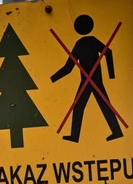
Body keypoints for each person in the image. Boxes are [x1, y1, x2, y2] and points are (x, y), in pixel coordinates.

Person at [51, 14, 123, 143]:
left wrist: (112, 75)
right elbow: (68, 67)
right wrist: (52, 79)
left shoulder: (89, 42)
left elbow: (108, 52)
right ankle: (76, 135)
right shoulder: (81, 43)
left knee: (99, 105)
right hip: (86, 80)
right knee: (86, 106)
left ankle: (116, 132)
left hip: (94, 80)